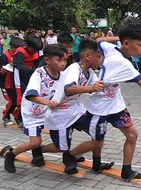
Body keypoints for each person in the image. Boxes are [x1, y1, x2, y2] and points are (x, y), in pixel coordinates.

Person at [81, 17, 141, 181]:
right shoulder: (123, 63)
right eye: (140, 45)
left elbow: (99, 40)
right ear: (127, 44)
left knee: (132, 135)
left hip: (116, 105)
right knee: (97, 141)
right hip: (100, 106)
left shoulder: (112, 48)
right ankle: (73, 156)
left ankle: (126, 170)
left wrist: (121, 36)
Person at [40, 39, 108, 175]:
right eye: (98, 57)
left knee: (97, 134)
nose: (100, 61)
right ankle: (39, 150)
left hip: (75, 109)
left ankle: (96, 162)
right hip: (60, 112)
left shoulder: (90, 72)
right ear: (88, 56)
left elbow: (100, 87)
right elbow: (69, 88)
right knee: (60, 147)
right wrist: (91, 88)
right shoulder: (74, 69)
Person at [3, 44, 67, 173]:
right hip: (32, 113)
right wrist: (47, 102)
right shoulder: (39, 74)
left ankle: (38, 152)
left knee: (62, 145)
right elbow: (31, 95)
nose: (62, 64)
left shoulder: (64, 75)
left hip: (49, 111)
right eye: (59, 60)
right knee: (34, 142)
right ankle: (11, 154)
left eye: (64, 60)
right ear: (47, 60)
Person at [13, 35, 43, 126]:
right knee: (21, 97)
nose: (35, 52)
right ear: (28, 46)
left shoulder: (36, 52)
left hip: (30, 74)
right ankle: (19, 118)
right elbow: (18, 65)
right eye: (33, 50)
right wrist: (32, 71)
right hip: (20, 75)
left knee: (32, 94)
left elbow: (37, 64)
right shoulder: (20, 52)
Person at [0, 37, 25, 126]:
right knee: (12, 102)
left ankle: (18, 117)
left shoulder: (21, 55)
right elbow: (2, 71)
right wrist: (11, 64)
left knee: (20, 101)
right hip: (6, 83)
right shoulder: (5, 56)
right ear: (12, 48)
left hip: (17, 82)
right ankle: (5, 116)